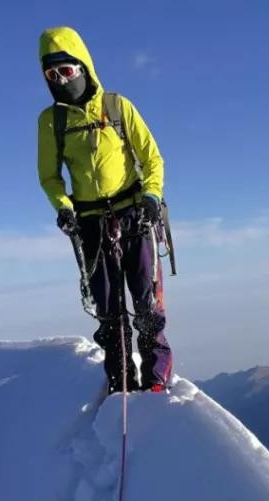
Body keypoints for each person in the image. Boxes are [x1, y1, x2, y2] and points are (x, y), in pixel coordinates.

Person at [37, 26, 173, 393]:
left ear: (83, 66)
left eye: (66, 70)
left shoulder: (117, 107)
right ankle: (121, 381)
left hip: (134, 214)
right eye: (51, 74)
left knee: (145, 303)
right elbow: (49, 177)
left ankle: (157, 377)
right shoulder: (51, 122)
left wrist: (151, 196)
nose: (60, 79)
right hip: (90, 224)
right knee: (109, 311)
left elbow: (152, 158)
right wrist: (63, 207)